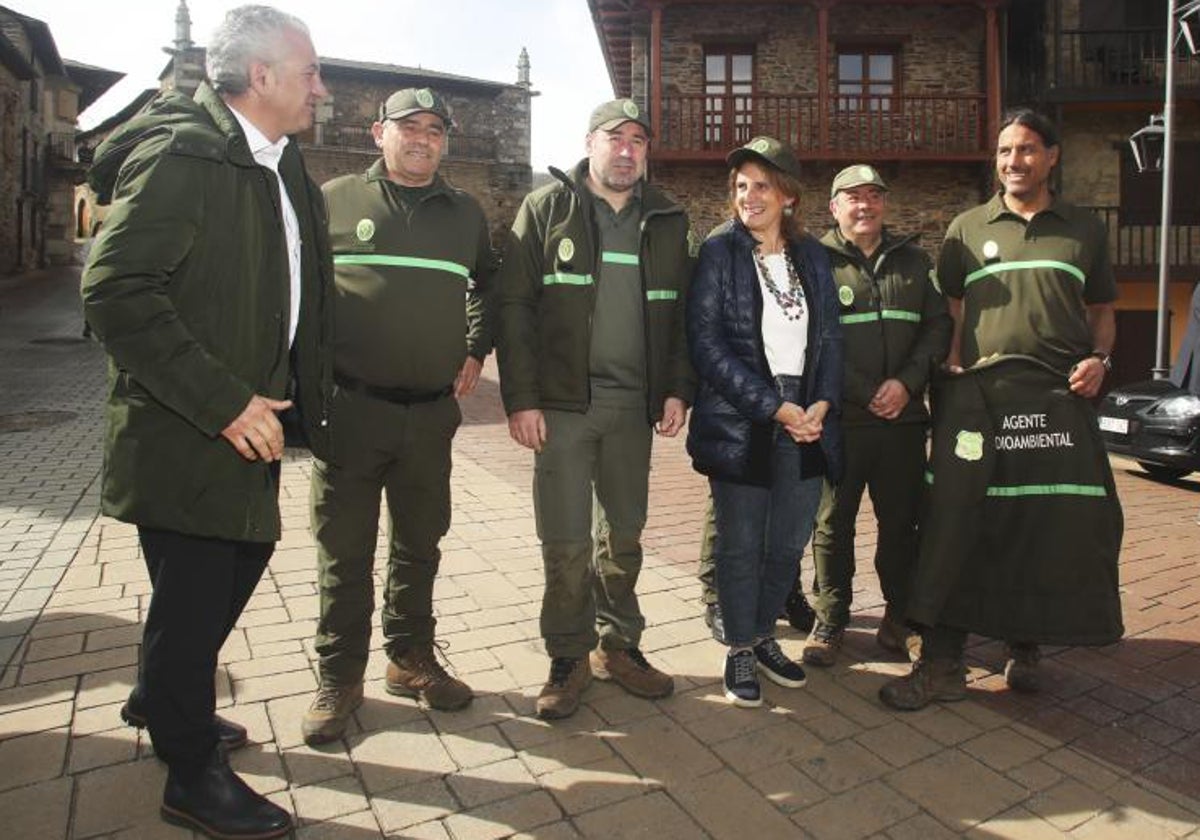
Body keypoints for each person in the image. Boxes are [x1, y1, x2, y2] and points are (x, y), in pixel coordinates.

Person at [81, 6, 331, 837]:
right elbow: (115, 291)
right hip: (191, 424)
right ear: (260, 78)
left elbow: (294, 281)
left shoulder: (280, 160)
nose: (321, 89)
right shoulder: (184, 156)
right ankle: (189, 770)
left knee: (245, 553)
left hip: (253, 420)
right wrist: (222, 400)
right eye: (309, 72)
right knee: (192, 594)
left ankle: (164, 694)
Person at [880, 109, 1123, 711]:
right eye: (1005, 151)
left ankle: (1027, 644)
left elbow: (1101, 314)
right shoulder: (965, 228)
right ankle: (941, 663)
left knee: (1040, 526)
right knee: (956, 523)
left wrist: (1100, 360)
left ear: (1052, 157)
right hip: (978, 403)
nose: (1014, 162)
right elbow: (952, 313)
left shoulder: (1084, 231)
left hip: (1056, 405)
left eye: (1027, 150)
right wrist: (952, 374)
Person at [301, 87, 494, 745]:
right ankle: (340, 674)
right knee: (344, 550)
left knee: (420, 545)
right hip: (350, 410)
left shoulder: (465, 214)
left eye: (436, 129)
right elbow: (299, 297)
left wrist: (475, 346)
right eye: (409, 127)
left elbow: (489, 288)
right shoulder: (331, 201)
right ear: (377, 133)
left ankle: (409, 658)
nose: (422, 138)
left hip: (429, 417)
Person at [497, 98, 693, 720]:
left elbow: (683, 316)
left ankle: (620, 645)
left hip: (633, 407)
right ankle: (568, 655)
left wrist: (675, 387)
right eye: (616, 137)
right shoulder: (547, 207)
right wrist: (521, 398)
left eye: (639, 140)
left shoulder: (665, 218)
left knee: (625, 534)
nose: (628, 149)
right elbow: (514, 307)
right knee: (566, 539)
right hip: (562, 408)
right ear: (590, 143)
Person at [686, 136, 842, 707]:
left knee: (787, 543)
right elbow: (706, 345)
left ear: (789, 196)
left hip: (808, 410)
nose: (749, 196)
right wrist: (772, 406)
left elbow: (829, 337)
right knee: (741, 542)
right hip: (743, 415)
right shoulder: (719, 252)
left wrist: (822, 402)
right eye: (741, 186)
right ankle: (739, 650)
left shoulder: (814, 257)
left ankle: (763, 637)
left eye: (762, 185)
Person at [804, 165, 950, 667]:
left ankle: (898, 620)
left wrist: (905, 384)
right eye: (852, 197)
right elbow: (814, 341)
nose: (864, 205)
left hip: (903, 423)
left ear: (884, 204)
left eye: (873, 196)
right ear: (834, 207)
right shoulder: (813, 262)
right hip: (840, 420)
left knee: (902, 525)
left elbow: (937, 329)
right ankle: (831, 620)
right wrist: (868, 392)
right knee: (832, 525)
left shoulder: (914, 261)